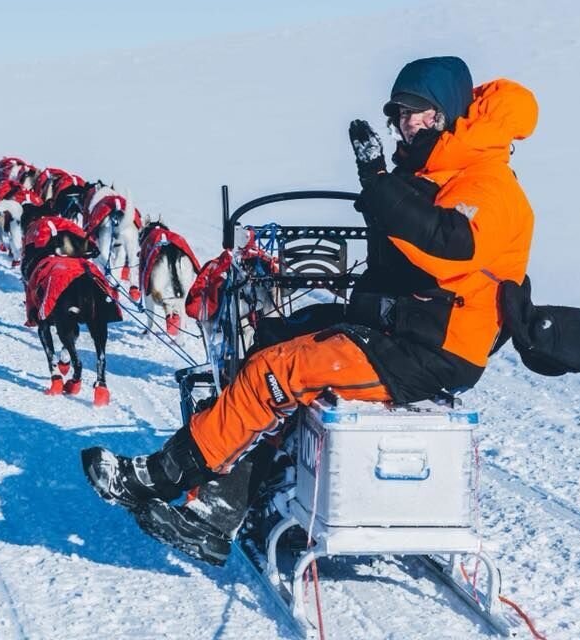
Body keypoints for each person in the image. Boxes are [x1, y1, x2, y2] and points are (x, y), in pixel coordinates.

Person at [81, 56, 540, 564]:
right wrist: (385, 183)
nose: (405, 123)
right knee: (275, 339)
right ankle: (222, 503)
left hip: (431, 350)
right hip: (401, 329)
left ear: (448, 114)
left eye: (419, 111)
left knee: (278, 372)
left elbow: (447, 243)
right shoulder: (438, 171)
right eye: (399, 113)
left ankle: (161, 476)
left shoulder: (487, 181)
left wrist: (379, 183)